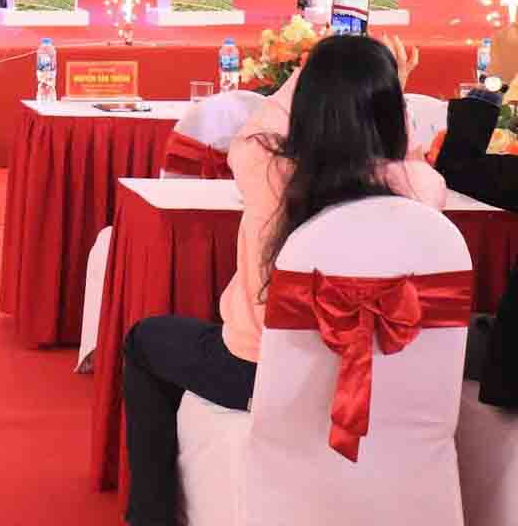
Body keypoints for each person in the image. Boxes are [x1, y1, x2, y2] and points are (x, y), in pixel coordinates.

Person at [121, 34, 441, 526]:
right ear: (388, 109)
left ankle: (151, 517)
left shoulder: (268, 170)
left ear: (308, 103)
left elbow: (260, 124)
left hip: (264, 378)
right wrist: (389, 88)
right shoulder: (421, 188)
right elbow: (408, 156)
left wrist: (312, 68)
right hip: (380, 380)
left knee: (145, 340)